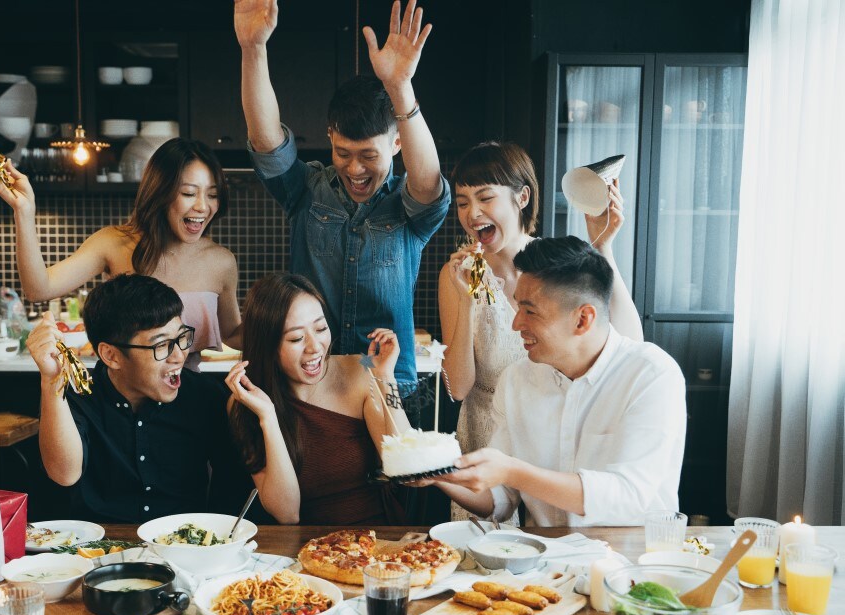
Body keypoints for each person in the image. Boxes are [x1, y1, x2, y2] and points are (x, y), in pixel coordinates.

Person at [235, 0, 451, 392]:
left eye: (369, 156)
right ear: (331, 136)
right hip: (313, 379)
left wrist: (400, 89)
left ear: (397, 143)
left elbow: (428, 182)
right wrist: (254, 48)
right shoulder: (306, 191)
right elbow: (267, 142)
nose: (355, 170)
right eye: (344, 154)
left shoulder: (407, 210)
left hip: (384, 379)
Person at [427, 236, 686, 526]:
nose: (515, 324)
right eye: (517, 307)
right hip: (544, 565)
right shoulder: (517, 379)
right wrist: (436, 474)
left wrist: (512, 471)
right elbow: (499, 501)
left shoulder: (651, 374)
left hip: (630, 561)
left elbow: (629, 497)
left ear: (582, 319)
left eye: (531, 311)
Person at [439, 142, 644, 468]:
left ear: (522, 197)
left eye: (485, 197)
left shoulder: (554, 263)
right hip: (487, 438)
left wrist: (602, 246)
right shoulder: (466, 274)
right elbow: (459, 389)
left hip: (551, 432)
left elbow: (631, 343)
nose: (472, 213)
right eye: (463, 202)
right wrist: (466, 302)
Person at [0, 138, 241, 371]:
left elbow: (232, 334)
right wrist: (24, 211)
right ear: (160, 192)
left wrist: (278, 326)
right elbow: (39, 289)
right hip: (119, 398)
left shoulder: (221, 261)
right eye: (188, 193)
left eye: (212, 194)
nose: (203, 207)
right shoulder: (113, 243)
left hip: (186, 400)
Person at [25, 273, 253, 523]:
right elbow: (64, 474)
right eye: (161, 345)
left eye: (181, 338)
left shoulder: (204, 396)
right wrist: (50, 379)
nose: (179, 355)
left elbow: (233, 485)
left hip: (182, 545)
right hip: (102, 547)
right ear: (111, 356)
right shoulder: (79, 395)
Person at [225, 273, 409, 525]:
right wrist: (268, 417)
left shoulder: (359, 368)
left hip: (376, 536)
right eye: (296, 338)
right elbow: (287, 513)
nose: (315, 347)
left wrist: (387, 378)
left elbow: (407, 466)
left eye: (321, 328)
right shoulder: (246, 402)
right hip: (306, 548)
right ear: (268, 345)